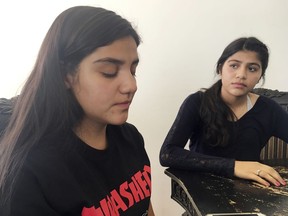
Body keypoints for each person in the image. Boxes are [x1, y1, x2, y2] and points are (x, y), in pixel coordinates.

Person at [0, 6, 154, 216]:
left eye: (133, 70)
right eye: (109, 71)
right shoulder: (31, 174)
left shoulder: (131, 139)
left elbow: (145, 207)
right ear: (66, 75)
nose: (131, 85)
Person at [160, 37, 288, 188]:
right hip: (201, 191)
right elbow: (168, 154)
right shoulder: (197, 102)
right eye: (234, 65)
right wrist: (234, 166)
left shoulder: (268, 109)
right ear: (220, 68)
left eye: (252, 68)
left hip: (251, 193)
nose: (241, 74)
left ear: (260, 76)